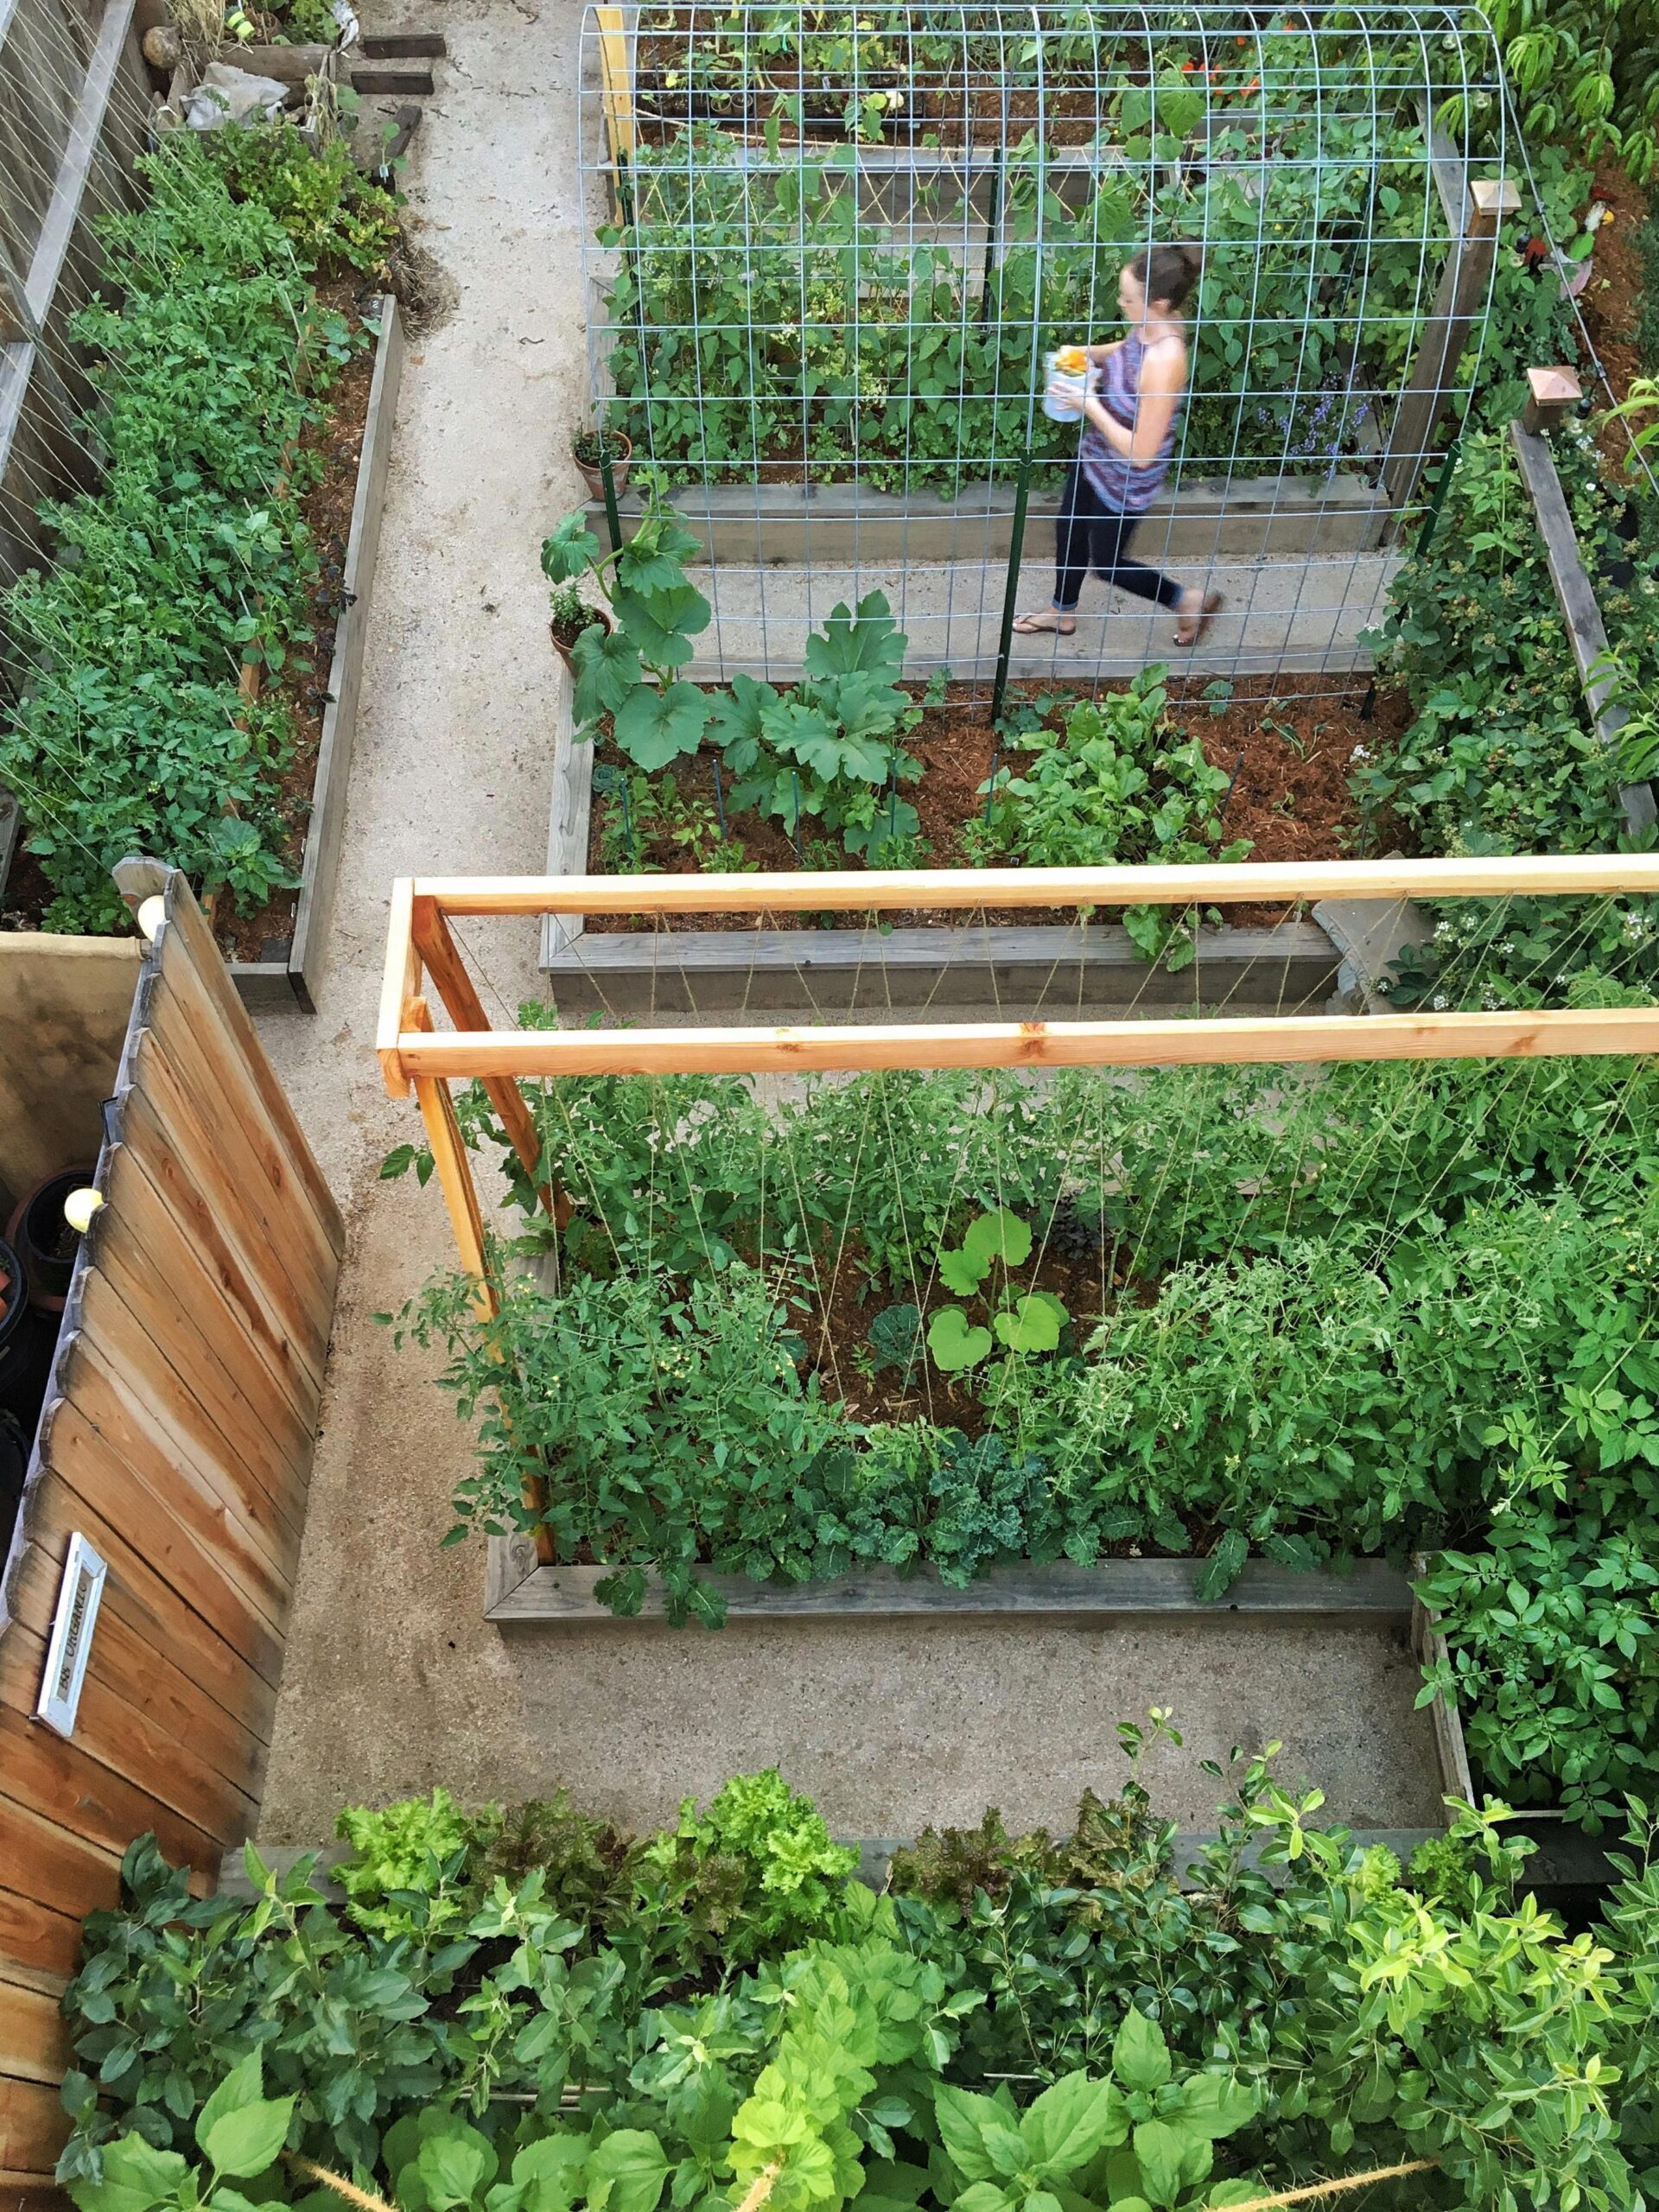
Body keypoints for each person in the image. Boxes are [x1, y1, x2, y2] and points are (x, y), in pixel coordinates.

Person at [1014, 242, 1223, 647]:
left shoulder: (1166, 361)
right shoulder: (1148, 324)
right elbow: (1125, 350)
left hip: (1125, 482)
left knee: (1108, 565)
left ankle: (1186, 601)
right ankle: (1062, 612)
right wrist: (1085, 353)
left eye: (1128, 298)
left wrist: (1089, 404)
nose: (1121, 303)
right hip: (1096, 456)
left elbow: (1142, 453)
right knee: (1068, 529)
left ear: (1159, 302)